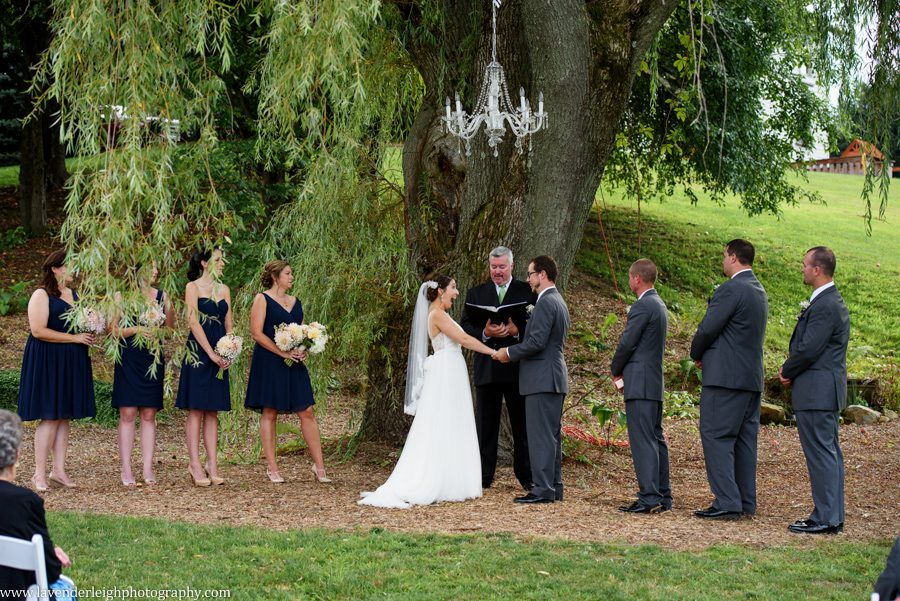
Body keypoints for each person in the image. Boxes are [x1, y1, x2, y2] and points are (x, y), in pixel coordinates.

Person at [359, 275, 496, 509]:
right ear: (441, 291)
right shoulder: (437, 315)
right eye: (453, 287)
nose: (457, 292)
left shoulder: (441, 314)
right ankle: (439, 479)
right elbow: (463, 339)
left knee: (452, 420)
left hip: (451, 370)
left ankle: (452, 477)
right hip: (446, 371)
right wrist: (493, 352)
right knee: (443, 420)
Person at [690, 239, 768, 520]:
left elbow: (708, 328)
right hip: (750, 378)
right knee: (745, 441)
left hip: (725, 378)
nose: (723, 260)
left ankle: (727, 501)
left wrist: (696, 354)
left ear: (734, 257)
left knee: (716, 435)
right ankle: (745, 500)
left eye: (725, 255)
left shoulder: (731, 289)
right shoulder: (759, 290)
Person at [779, 246, 849, 535]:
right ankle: (830, 514)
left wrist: (787, 370)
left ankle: (826, 518)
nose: (802, 268)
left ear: (817, 270)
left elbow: (809, 348)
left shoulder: (826, 305)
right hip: (822, 390)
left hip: (817, 391)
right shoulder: (829, 301)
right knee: (827, 452)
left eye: (805, 264)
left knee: (822, 454)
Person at [17, 250, 96, 491]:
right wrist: (74, 338)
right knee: (50, 415)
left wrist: (93, 325)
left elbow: (81, 325)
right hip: (48, 360)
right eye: (69, 265)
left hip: (71, 359)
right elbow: (38, 330)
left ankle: (58, 471)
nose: (74, 270)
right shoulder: (41, 295)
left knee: (63, 415)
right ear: (55, 268)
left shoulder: (76, 295)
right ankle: (38, 474)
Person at [245, 260, 330, 483]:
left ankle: (319, 466)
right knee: (270, 411)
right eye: (288, 273)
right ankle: (272, 468)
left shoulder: (296, 301)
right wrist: (281, 353)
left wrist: (303, 350)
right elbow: (256, 333)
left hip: (293, 362)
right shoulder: (262, 299)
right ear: (275, 277)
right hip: (269, 361)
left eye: (291, 273)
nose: (292, 277)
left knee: (307, 410)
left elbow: (300, 332)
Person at [496, 256, 570, 504]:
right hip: (553, 376)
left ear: (543, 274)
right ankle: (553, 487)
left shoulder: (546, 302)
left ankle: (542, 489)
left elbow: (537, 342)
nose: (528, 279)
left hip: (542, 377)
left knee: (541, 436)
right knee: (551, 435)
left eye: (530, 274)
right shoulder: (557, 300)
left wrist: (508, 353)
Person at [460, 246, 534, 490]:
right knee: (485, 424)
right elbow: (464, 327)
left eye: (502, 267)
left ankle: (526, 475)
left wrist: (517, 331)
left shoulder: (526, 291)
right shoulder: (476, 293)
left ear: (511, 265)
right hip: (488, 367)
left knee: (522, 425)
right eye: (494, 267)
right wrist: (485, 332)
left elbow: (538, 326)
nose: (497, 271)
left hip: (517, 368)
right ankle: (483, 475)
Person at [610, 259, 671, 514]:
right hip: (653, 381)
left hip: (640, 381)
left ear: (637, 278)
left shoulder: (643, 305)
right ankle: (663, 495)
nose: (628, 281)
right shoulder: (659, 304)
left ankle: (649, 497)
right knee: (655, 438)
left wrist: (615, 368)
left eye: (629, 277)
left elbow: (628, 342)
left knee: (643, 440)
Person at [0, 410, 76, 599]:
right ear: (16, 455)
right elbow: (50, 572)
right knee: (66, 590)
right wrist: (47, 553)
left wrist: (45, 549)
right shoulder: (25, 502)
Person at [111, 263, 174, 487]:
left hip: (152, 358)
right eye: (151, 267)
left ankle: (147, 467)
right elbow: (113, 330)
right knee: (127, 413)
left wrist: (156, 329)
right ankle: (126, 468)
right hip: (128, 358)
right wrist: (138, 329)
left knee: (149, 413)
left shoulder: (163, 296)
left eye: (157, 268)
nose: (156, 271)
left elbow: (170, 331)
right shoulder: (122, 296)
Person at [175, 248, 233, 487]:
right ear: (204, 263)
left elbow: (229, 324)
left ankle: (212, 464)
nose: (223, 263)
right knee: (196, 409)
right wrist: (210, 353)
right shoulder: (193, 288)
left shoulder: (225, 289)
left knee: (213, 410)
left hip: (220, 351)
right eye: (218, 260)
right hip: (199, 353)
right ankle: (194, 464)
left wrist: (229, 349)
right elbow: (192, 322)